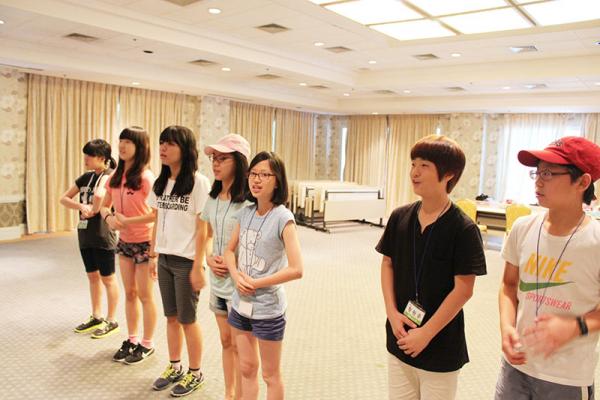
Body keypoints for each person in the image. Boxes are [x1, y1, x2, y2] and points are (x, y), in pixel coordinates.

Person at [376, 135, 487, 400]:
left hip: (440, 344)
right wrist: (392, 313)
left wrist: (426, 333)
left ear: (448, 174)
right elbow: (388, 263)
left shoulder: (463, 228)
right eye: (413, 164)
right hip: (400, 334)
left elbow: (464, 290)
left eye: (424, 165)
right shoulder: (400, 217)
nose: (414, 172)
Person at [496, 136, 600, 400]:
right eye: (537, 172)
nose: (538, 181)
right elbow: (509, 285)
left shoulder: (595, 240)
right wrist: (506, 327)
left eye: (549, 173)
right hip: (516, 366)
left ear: (582, 182)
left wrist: (574, 327)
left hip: (566, 376)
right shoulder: (523, 228)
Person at [223, 151, 303, 400]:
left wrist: (257, 283)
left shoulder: (283, 218)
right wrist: (236, 276)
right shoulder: (245, 213)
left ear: (277, 181)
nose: (256, 180)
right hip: (241, 304)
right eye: (253, 174)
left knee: (270, 375)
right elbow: (228, 251)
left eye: (265, 175)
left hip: (268, 308)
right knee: (246, 368)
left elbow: (297, 269)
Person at [147, 125, 211, 397]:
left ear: (185, 149)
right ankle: (175, 366)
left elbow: (203, 228)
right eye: (162, 142)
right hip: (164, 258)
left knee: (187, 319)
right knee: (171, 317)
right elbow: (157, 220)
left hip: (187, 261)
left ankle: (195, 373)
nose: (163, 148)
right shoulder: (161, 182)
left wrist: (198, 265)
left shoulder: (199, 182)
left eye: (170, 143)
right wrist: (153, 254)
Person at [99, 126, 157, 364]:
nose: (122, 146)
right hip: (124, 242)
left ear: (140, 147)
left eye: (128, 142)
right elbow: (104, 205)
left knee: (145, 295)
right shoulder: (115, 177)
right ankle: (132, 339)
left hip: (145, 242)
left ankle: (147, 343)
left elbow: (157, 214)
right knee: (130, 293)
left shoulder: (146, 177)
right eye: (121, 141)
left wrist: (127, 221)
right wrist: (109, 218)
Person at [201, 133, 251, 400]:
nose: (215, 164)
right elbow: (208, 236)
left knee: (242, 346)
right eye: (214, 159)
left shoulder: (250, 202)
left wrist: (234, 263)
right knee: (225, 341)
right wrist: (208, 257)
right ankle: (229, 394)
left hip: (240, 285)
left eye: (223, 159)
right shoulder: (213, 198)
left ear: (239, 162)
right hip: (218, 282)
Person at [59, 139, 119, 339]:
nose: (85, 159)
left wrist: (93, 209)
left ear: (102, 158)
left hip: (103, 234)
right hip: (85, 234)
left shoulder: (111, 176)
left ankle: (112, 320)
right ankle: (97, 315)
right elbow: (64, 198)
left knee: (108, 278)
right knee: (92, 276)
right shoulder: (86, 177)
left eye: (89, 155)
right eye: (85, 155)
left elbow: (100, 198)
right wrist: (81, 206)